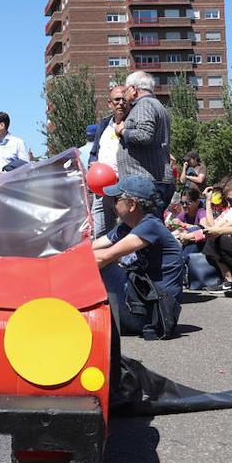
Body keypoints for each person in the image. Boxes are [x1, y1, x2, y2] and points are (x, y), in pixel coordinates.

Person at [93, 175, 185, 339]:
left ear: (132, 205)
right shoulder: (128, 226)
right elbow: (92, 247)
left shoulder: (151, 226)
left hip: (151, 316)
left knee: (104, 265)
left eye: (116, 199)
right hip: (142, 303)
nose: (113, 204)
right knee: (97, 261)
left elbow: (103, 257)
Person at [114, 72, 174, 210]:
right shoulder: (155, 104)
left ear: (134, 89)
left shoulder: (144, 104)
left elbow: (144, 135)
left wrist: (123, 131)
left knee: (146, 227)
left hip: (145, 182)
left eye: (125, 90)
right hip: (152, 179)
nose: (124, 95)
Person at [87, 85, 131, 237]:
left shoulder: (133, 123)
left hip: (125, 189)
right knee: (101, 234)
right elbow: (94, 153)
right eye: (117, 100)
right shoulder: (104, 125)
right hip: (102, 190)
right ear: (109, 104)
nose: (120, 103)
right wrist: (92, 164)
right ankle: (107, 261)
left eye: (124, 100)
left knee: (127, 234)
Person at [0, 112, 31, 177]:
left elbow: (26, 166)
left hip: (14, 185)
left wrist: (7, 173)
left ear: (1, 125)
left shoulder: (18, 143)